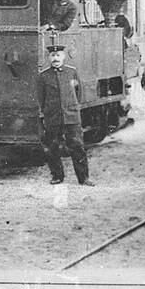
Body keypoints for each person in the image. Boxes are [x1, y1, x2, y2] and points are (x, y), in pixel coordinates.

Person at [36, 44, 93, 186]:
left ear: (63, 56)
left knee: (78, 147)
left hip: (71, 117)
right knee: (52, 148)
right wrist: (48, 112)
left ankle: (83, 178)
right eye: (53, 56)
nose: (55, 58)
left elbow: (79, 93)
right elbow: (40, 98)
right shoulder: (43, 76)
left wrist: (73, 107)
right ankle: (57, 176)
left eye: (58, 55)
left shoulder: (72, 72)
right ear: (49, 57)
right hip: (53, 118)